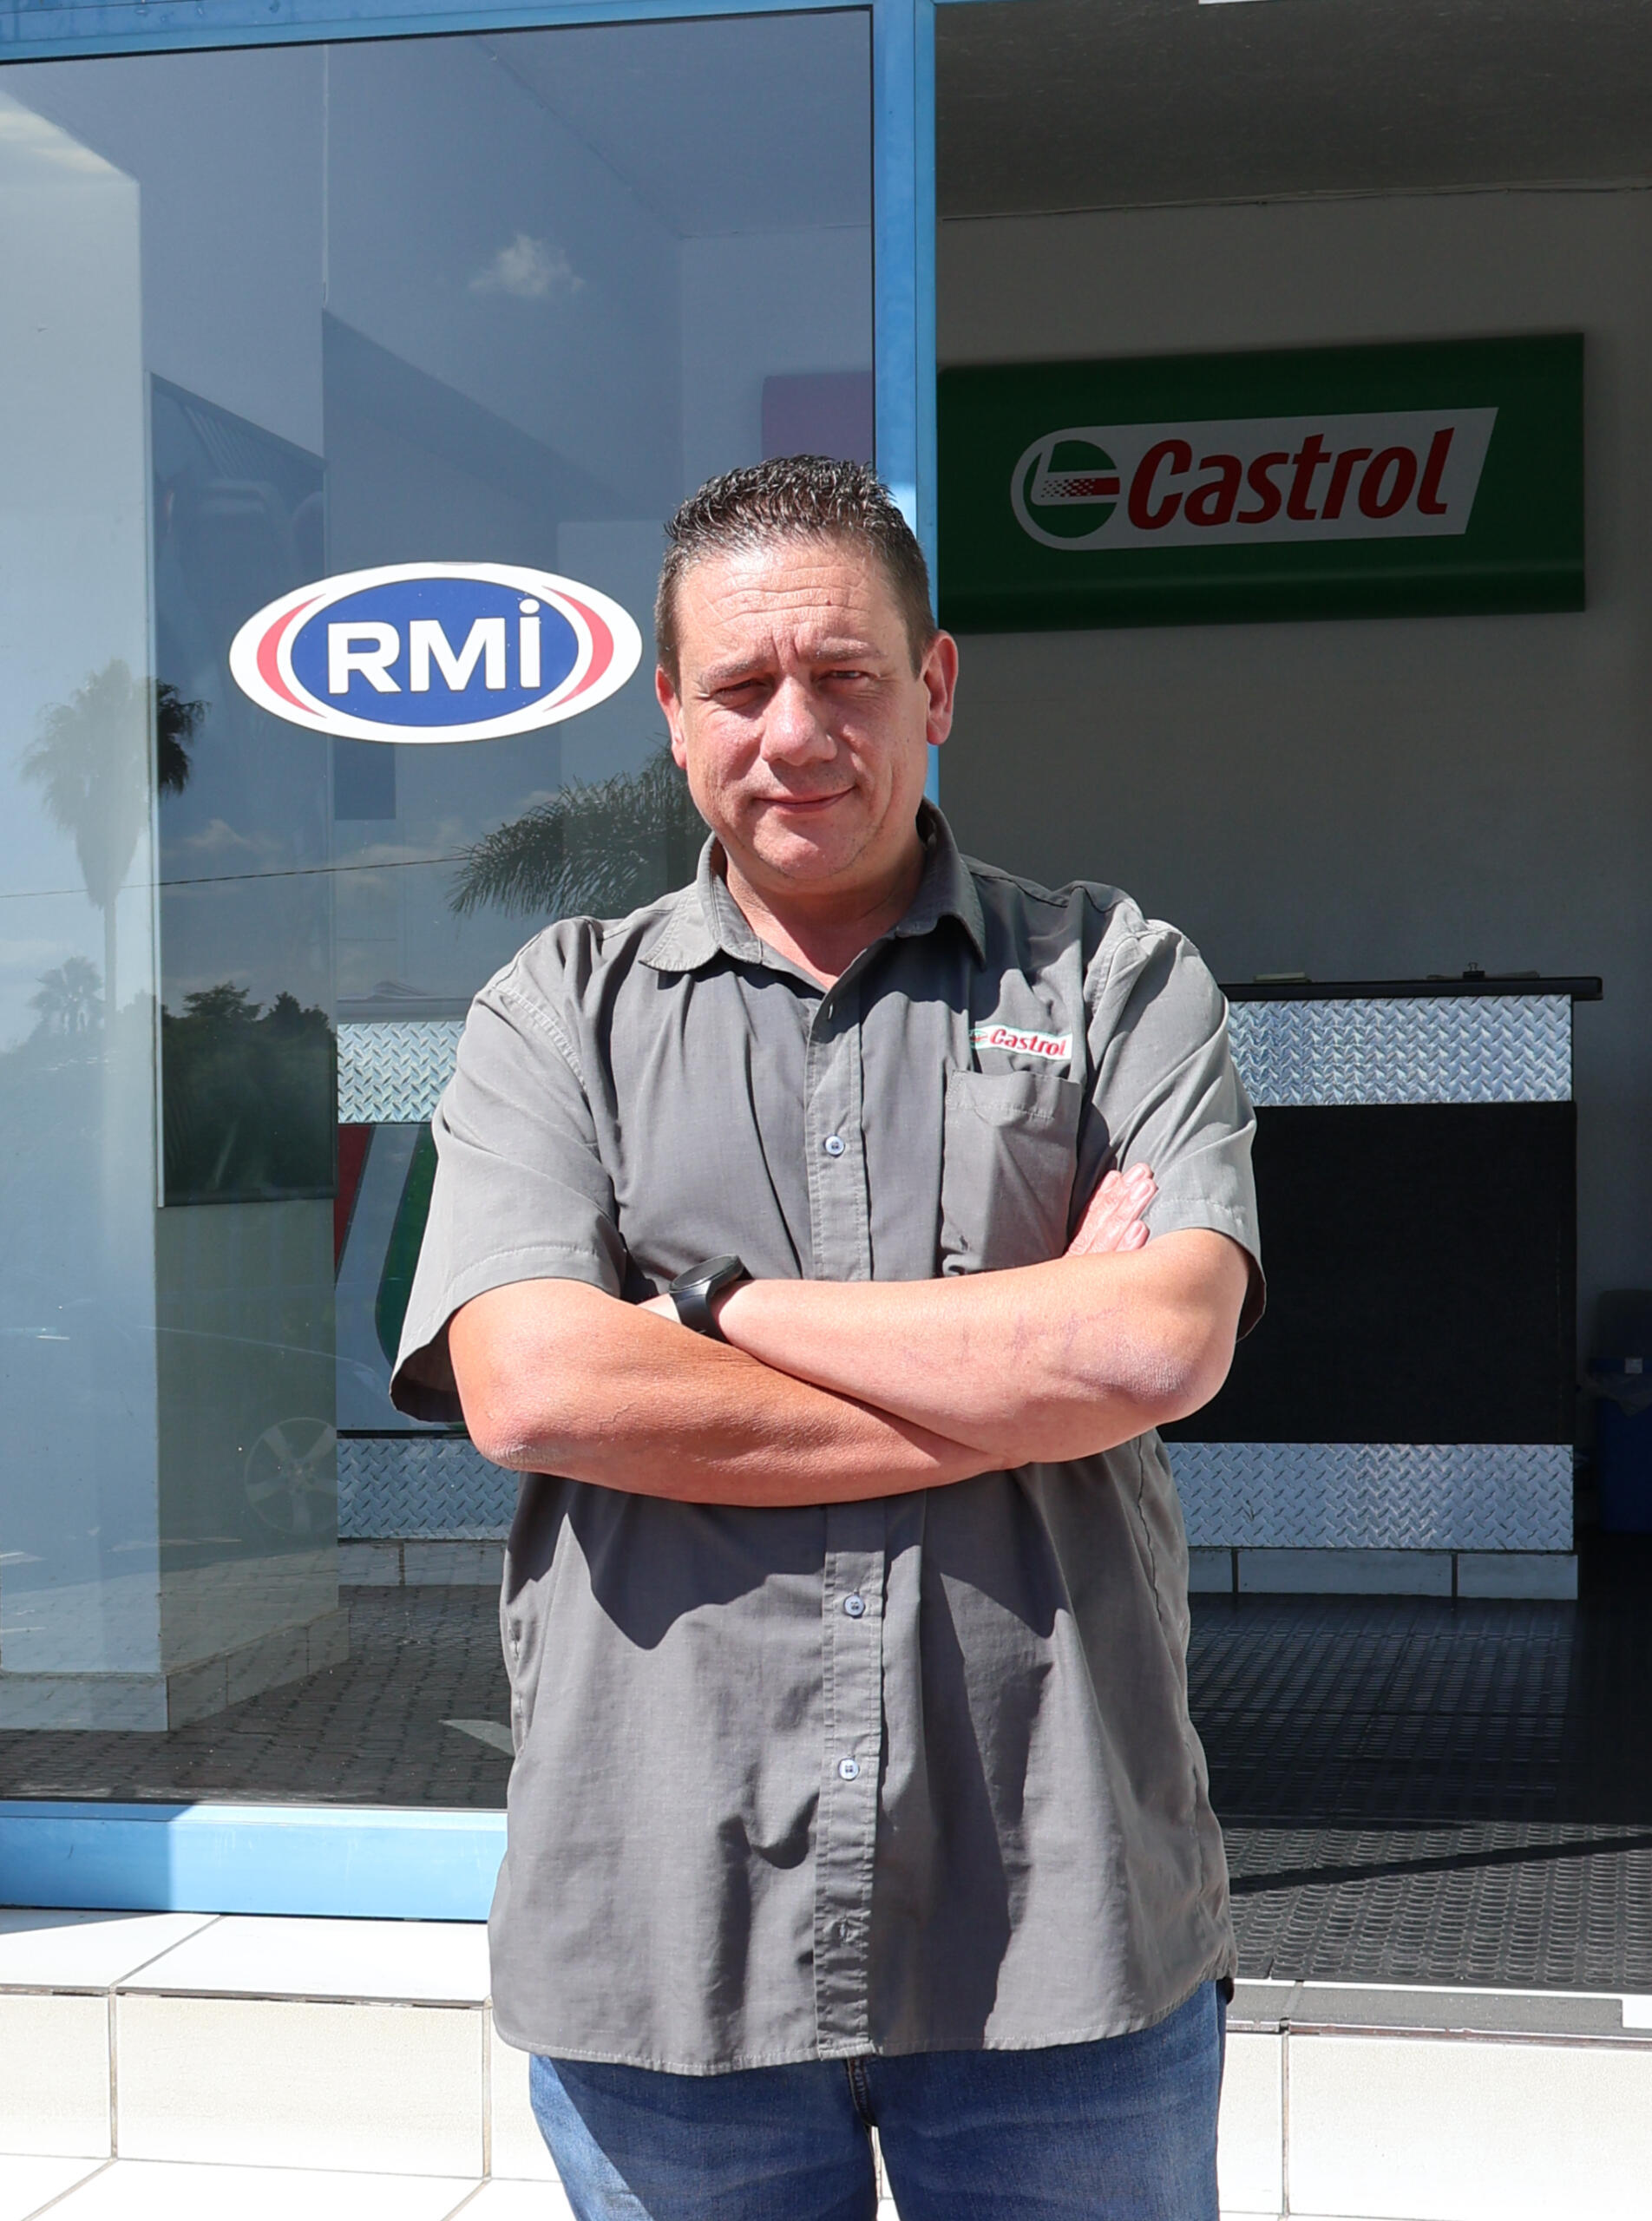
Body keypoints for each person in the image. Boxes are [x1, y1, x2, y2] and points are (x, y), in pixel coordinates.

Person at [391, 455, 1262, 2221]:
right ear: (672, 710)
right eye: (740, 686)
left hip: (1060, 1925)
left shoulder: (1112, 980)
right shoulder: (554, 1013)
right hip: (667, 1933)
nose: (795, 732)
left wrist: (714, 1313)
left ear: (935, 685)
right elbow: (534, 1380)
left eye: (848, 678)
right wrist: (1024, 1383)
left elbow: (1158, 1344)